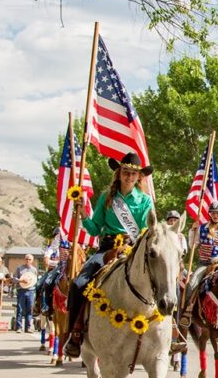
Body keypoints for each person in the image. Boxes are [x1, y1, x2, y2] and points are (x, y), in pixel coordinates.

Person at [63, 152, 155, 357]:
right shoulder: (107, 197)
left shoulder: (145, 201)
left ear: (139, 176)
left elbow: (143, 232)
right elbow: (95, 229)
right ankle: (75, 333)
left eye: (133, 173)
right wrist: (84, 215)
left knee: (163, 282)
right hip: (106, 248)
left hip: (133, 250)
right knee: (78, 284)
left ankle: (169, 332)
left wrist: (130, 248)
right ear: (119, 173)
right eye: (126, 172)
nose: (129, 176)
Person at [13, 255, 38, 333]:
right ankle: (19, 327)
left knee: (29, 310)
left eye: (29, 259)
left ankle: (28, 327)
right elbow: (14, 279)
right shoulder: (19, 268)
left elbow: (35, 280)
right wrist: (21, 281)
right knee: (20, 309)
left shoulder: (34, 270)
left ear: (32, 260)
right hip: (21, 291)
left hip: (31, 291)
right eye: (26, 259)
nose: (28, 260)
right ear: (24, 259)